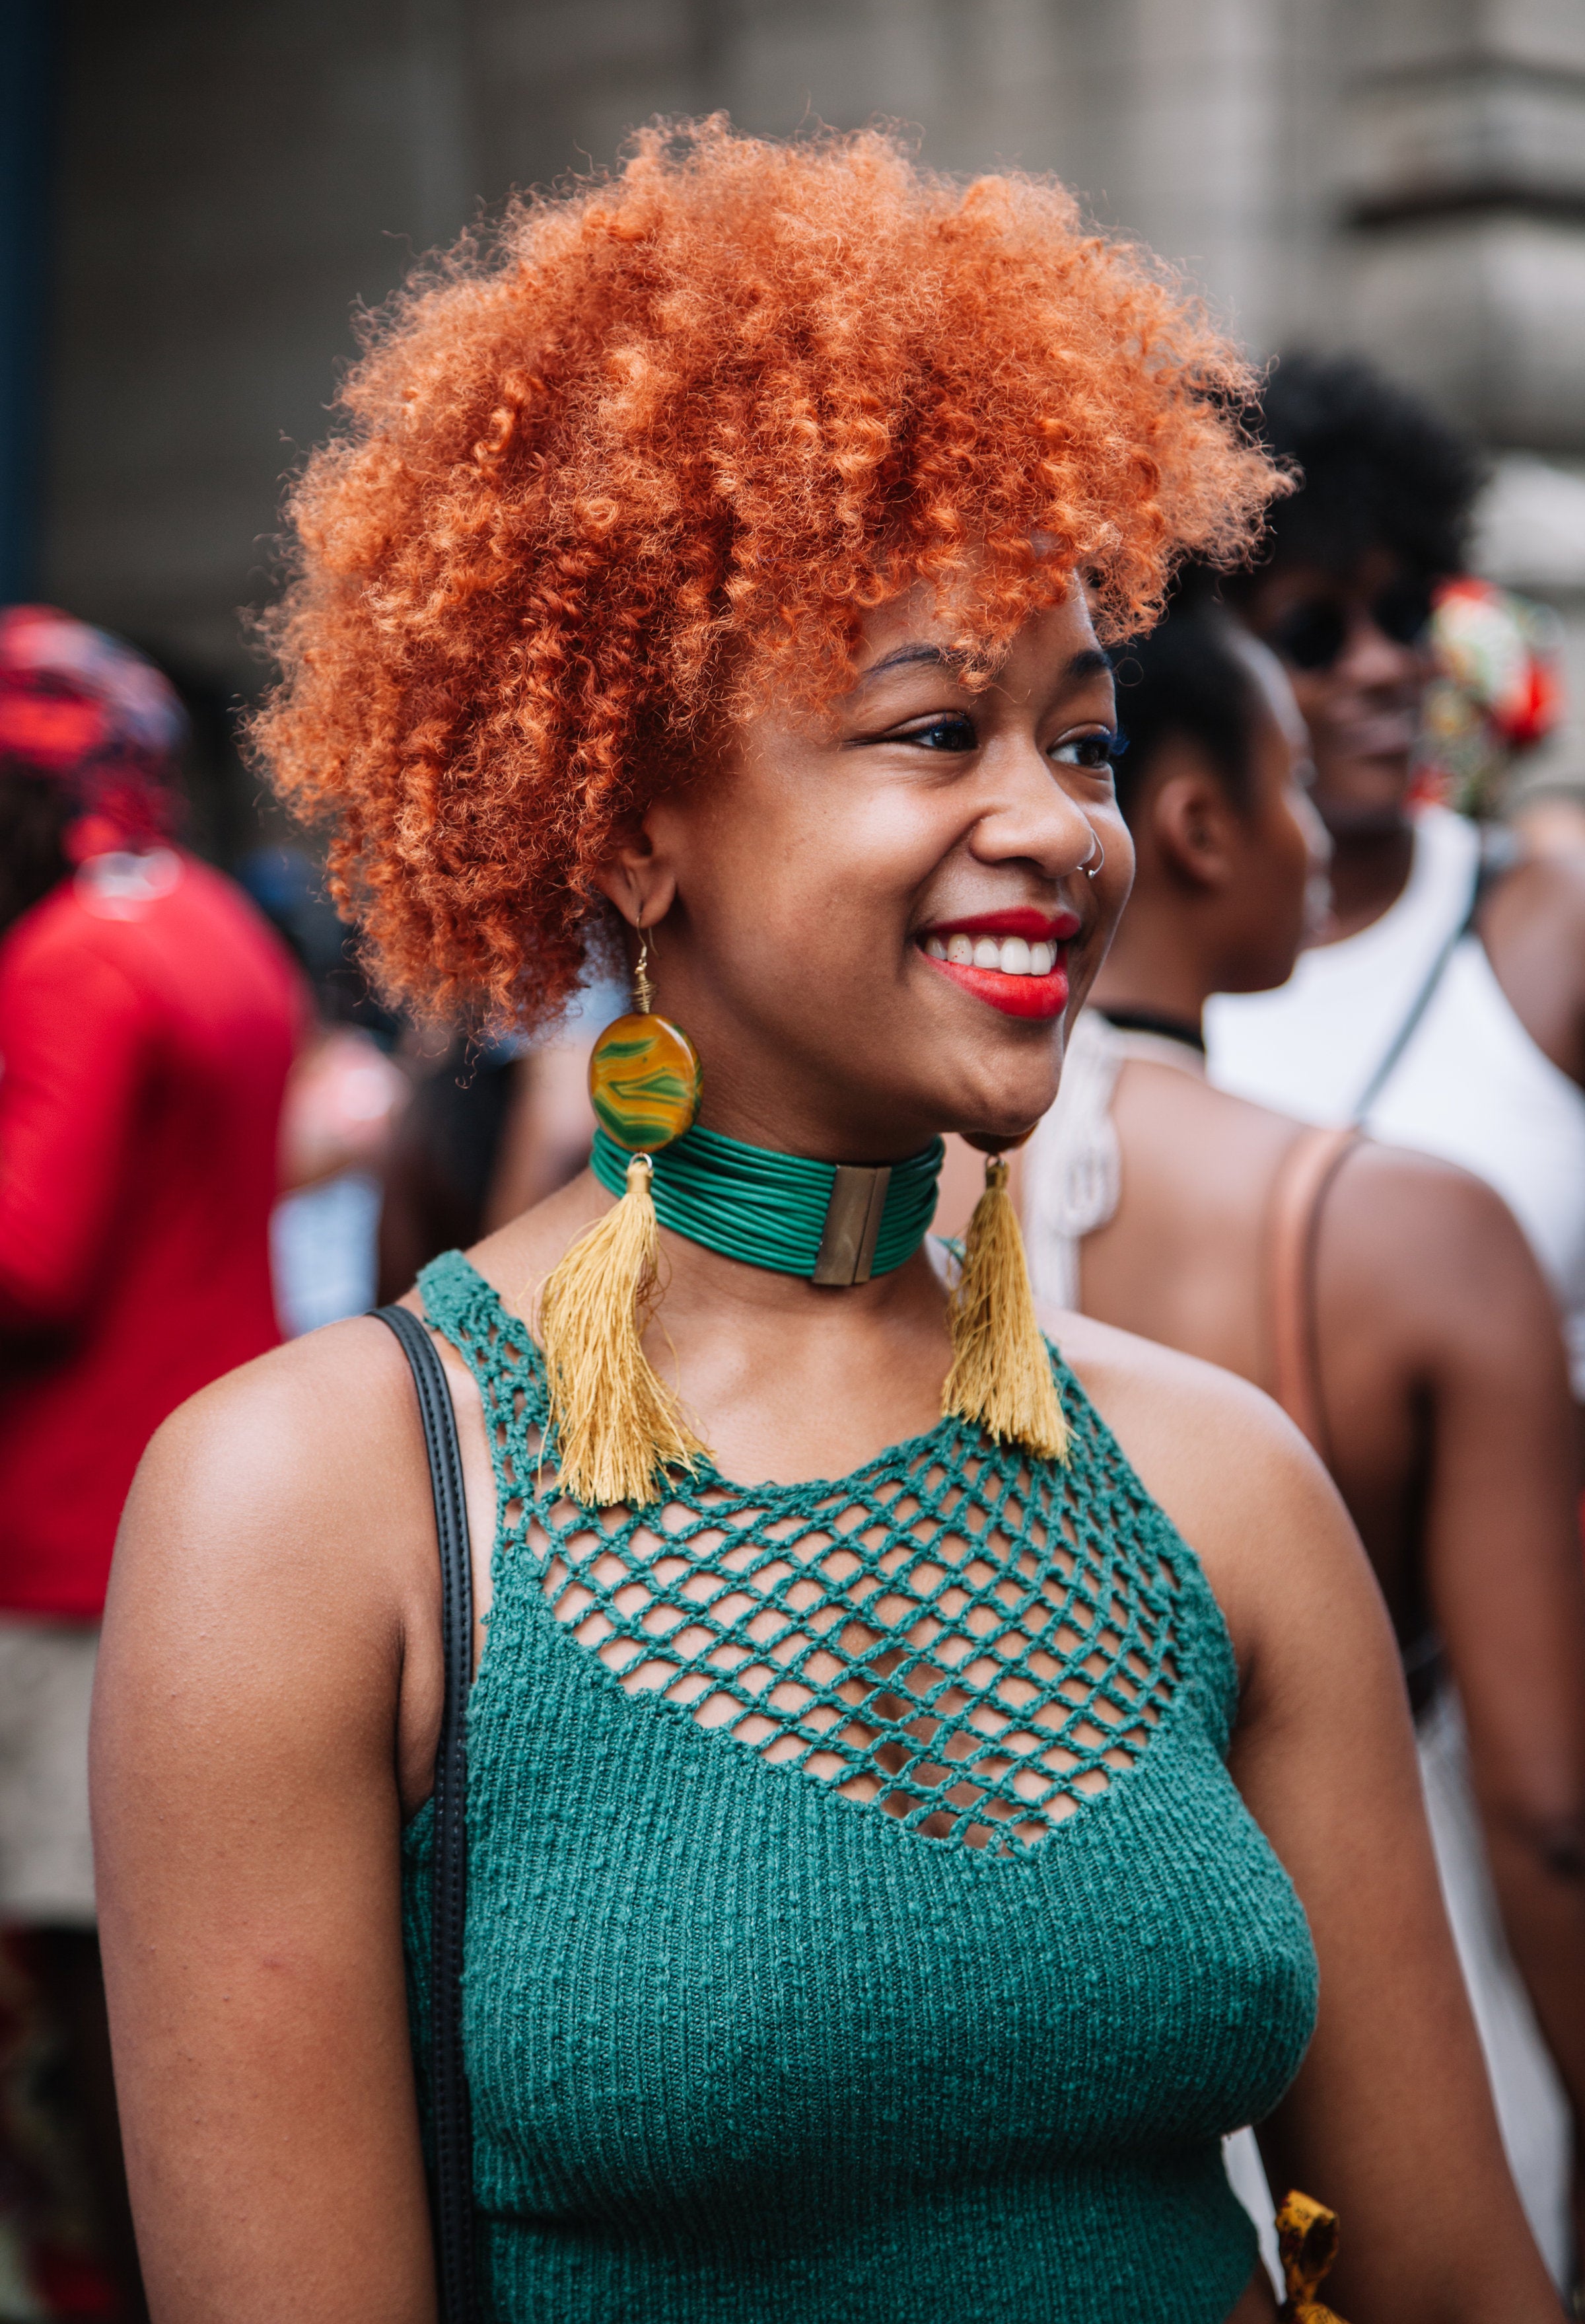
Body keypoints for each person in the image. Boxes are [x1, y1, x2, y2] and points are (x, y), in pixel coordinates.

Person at [92, 124, 1553, 2323]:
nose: (1058, 828)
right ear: (634, 820)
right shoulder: (308, 1519)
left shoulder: (1224, 1483)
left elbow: (1448, 2288)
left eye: (1082, 737)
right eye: (938, 727)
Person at [1020, 601, 1585, 2292]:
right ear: (1190, 828)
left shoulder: (885, 1224)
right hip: (1417, 2034)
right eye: (1287, 787)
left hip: (1055, 2079)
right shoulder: (1411, 1236)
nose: (1317, 847)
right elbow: (1549, 1811)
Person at [0, 606, 304, 2315]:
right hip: (188, 1525)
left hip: (61, 1556)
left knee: (76, 2009)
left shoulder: (66, 957)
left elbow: (28, 1257)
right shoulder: (208, 926)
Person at [1205, 355, 1585, 1402]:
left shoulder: (1552, 924)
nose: (1383, 664)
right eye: (1315, 632)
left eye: (1409, 612)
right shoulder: (1132, 962)